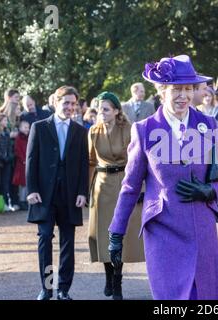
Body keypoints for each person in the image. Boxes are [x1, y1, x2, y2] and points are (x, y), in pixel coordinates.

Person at [108, 54, 218, 300]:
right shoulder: (144, 130)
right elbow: (131, 187)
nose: (183, 96)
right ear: (161, 91)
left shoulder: (209, 124)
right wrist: (116, 232)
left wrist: (211, 191)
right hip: (163, 231)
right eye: (176, 89)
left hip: (202, 227)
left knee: (207, 297)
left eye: (189, 89)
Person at [26, 86, 89, 300]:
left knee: (68, 243)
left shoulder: (80, 131)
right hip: (44, 194)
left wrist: (82, 192)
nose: (70, 107)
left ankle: (63, 289)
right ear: (56, 102)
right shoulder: (39, 127)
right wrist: (31, 189)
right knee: (44, 237)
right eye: (66, 103)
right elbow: (31, 160)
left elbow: (82, 164)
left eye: (73, 104)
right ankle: (47, 288)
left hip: (70, 195)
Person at [88, 92, 144, 300]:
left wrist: (142, 188)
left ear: (117, 111)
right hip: (101, 186)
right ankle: (108, 276)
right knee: (103, 235)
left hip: (123, 183)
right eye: (100, 109)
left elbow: (139, 162)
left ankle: (118, 281)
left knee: (121, 235)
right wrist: (87, 191)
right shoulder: (93, 131)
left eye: (106, 109)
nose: (102, 113)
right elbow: (90, 162)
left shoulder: (129, 130)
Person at [0, 113, 13, 211]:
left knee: (5, 183)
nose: (6, 122)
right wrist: (3, 158)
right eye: (4, 120)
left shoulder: (7, 133)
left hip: (7, 163)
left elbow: (10, 147)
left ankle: (5, 203)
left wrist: (9, 157)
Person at [12, 120, 30, 211]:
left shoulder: (29, 137)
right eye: (25, 127)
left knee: (27, 183)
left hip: (27, 163)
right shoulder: (18, 138)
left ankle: (26, 200)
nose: (27, 129)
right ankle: (21, 201)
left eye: (28, 127)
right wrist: (23, 160)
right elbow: (17, 150)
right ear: (20, 128)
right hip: (21, 164)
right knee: (22, 184)